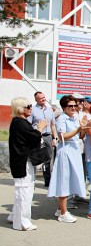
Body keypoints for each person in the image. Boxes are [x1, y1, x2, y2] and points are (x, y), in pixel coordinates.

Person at [47, 95, 89, 223]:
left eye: (74, 106)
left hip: (75, 151)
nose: (73, 108)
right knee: (64, 181)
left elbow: (80, 136)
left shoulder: (76, 118)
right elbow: (62, 136)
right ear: (64, 107)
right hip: (65, 151)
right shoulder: (62, 119)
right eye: (69, 106)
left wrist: (83, 128)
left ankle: (61, 209)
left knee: (71, 180)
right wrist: (78, 129)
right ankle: (63, 213)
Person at [8, 97, 46, 231]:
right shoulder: (20, 122)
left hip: (24, 161)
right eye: (28, 106)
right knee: (24, 191)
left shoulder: (20, 122)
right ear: (20, 109)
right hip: (21, 161)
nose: (31, 108)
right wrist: (40, 128)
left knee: (26, 189)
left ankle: (14, 216)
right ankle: (22, 222)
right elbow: (34, 137)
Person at [27, 91, 58, 187]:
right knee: (35, 158)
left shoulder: (49, 110)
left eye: (44, 97)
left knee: (48, 159)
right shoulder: (32, 110)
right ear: (36, 100)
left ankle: (48, 181)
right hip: (37, 137)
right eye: (41, 98)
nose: (43, 99)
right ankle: (31, 180)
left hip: (48, 136)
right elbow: (29, 125)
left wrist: (55, 138)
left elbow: (53, 125)